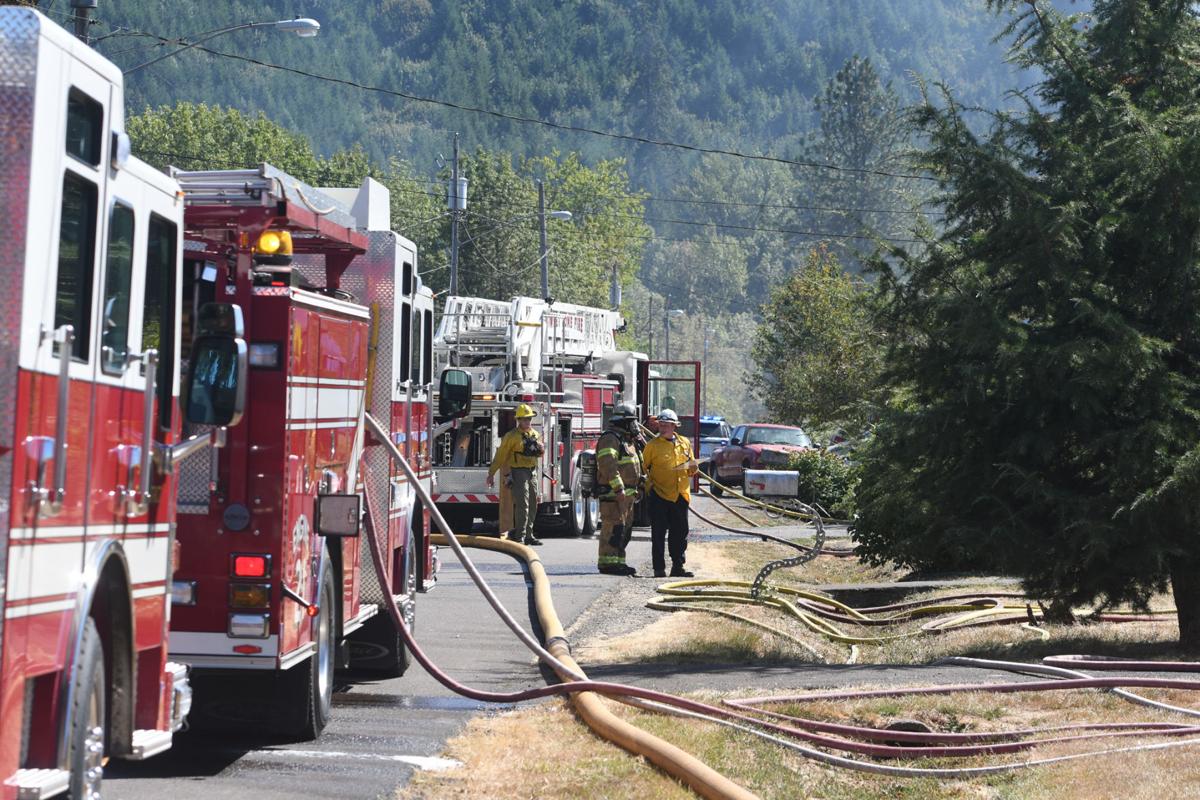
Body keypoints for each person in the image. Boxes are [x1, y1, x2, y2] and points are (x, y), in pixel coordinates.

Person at [641, 408, 699, 578]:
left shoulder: (684, 443)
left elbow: (691, 467)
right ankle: (659, 569)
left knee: (680, 533)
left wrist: (693, 468)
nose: (663, 428)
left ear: (675, 426)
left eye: (667, 425)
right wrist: (647, 488)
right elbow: (644, 468)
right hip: (659, 495)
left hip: (680, 495)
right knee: (658, 533)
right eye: (661, 425)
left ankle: (678, 567)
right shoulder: (652, 446)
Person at [594, 403, 644, 576]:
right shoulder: (610, 439)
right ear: (622, 422)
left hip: (628, 496)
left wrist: (640, 485)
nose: (634, 426)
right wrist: (618, 488)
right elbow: (608, 465)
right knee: (613, 529)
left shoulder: (628, 441)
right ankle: (607, 563)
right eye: (631, 422)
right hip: (614, 495)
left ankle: (619, 562)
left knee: (623, 531)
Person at [486, 404, 544, 546]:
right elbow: (500, 456)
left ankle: (529, 535)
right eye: (525, 419)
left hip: (532, 471)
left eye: (529, 419)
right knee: (522, 504)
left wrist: (541, 449)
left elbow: (539, 454)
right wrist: (491, 473)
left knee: (532, 504)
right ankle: (520, 536)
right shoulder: (511, 436)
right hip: (518, 471)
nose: (528, 422)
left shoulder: (535, 435)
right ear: (518, 420)